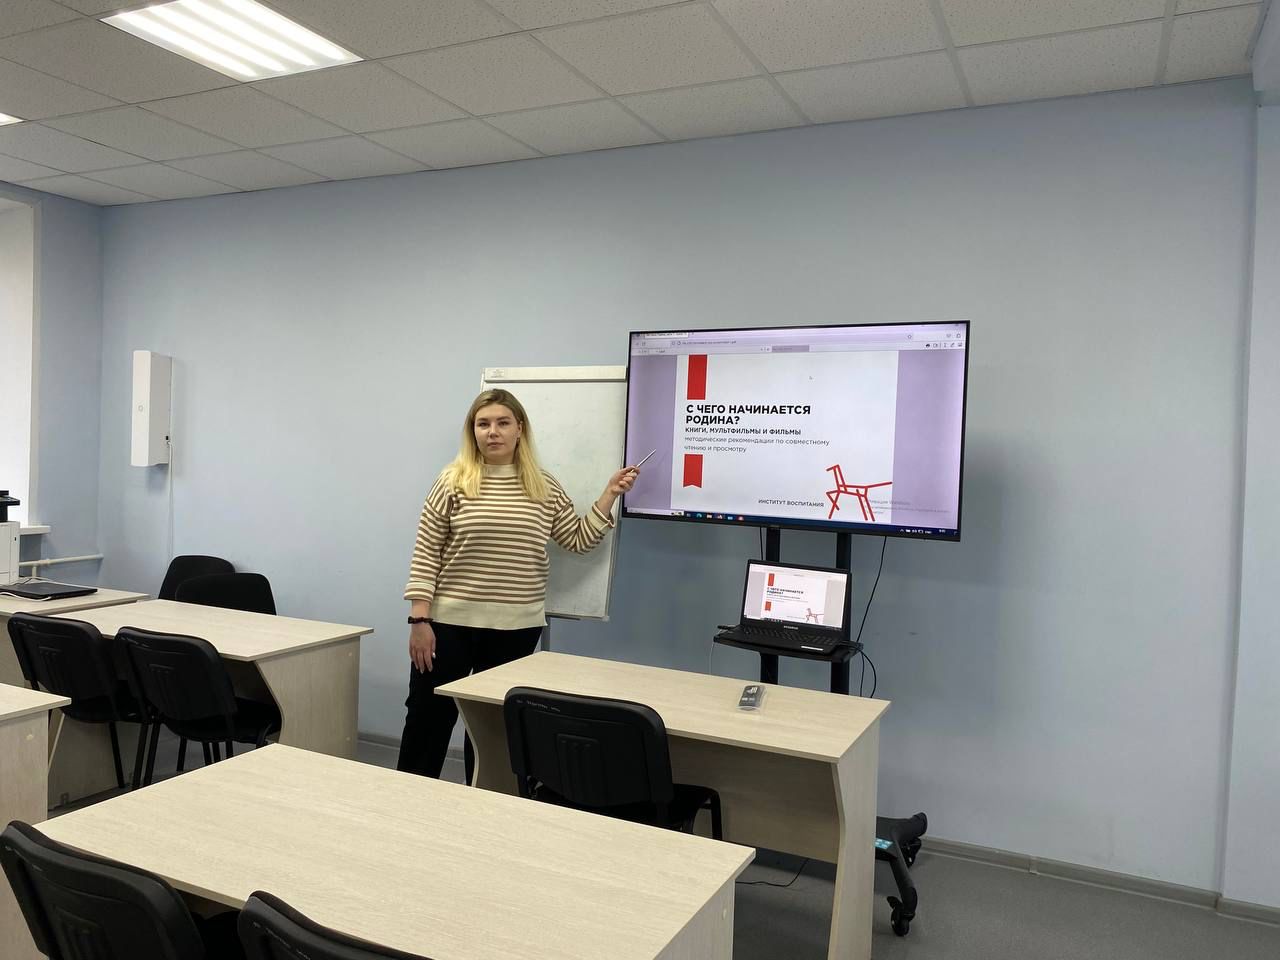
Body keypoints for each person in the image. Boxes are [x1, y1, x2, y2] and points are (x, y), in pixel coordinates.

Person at [397, 387, 639, 781]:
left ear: (519, 428)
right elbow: (426, 551)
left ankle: (484, 805)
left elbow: (577, 539)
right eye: (483, 424)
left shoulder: (543, 486)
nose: (492, 431)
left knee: (492, 727)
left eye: (502, 422)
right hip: (447, 626)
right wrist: (419, 621)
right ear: (473, 431)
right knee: (428, 718)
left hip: (516, 628)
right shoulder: (452, 481)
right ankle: (406, 801)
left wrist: (609, 494)